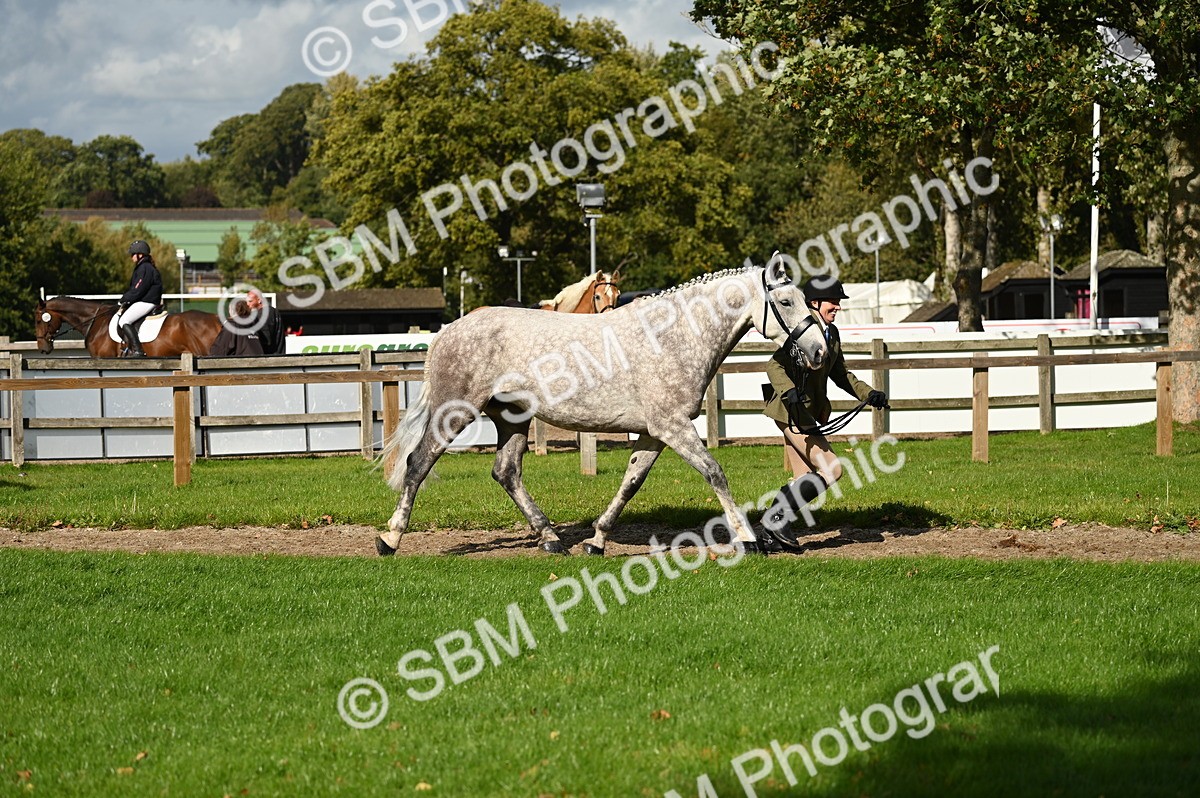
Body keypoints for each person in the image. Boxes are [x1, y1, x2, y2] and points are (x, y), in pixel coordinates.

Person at [758, 276, 889, 548]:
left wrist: (869, 394)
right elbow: (774, 366)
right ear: (814, 303)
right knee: (833, 469)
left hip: (805, 414)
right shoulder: (802, 332)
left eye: (839, 302)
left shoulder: (833, 334)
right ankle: (774, 520)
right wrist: (788, 391)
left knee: (803, 478)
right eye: (834, 301)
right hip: (790, 411)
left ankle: (768, 536)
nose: (838, 307)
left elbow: (841, 375)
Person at [117, 240, 163, 357]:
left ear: (140, 255)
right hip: (146, 300)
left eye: (133, 254)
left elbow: (138, 289)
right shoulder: (143, 267)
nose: (131, 257)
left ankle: (138, 350)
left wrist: (124, 299)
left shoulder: (145, 268)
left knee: (124, 321)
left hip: (147, 302)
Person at [246, 288, 284, 354]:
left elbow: (266, 340)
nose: (247, 304)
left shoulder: (263, 315)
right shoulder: (274, 311)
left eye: (250, 301)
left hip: (269, 358)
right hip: (278, 354)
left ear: (259, 300)